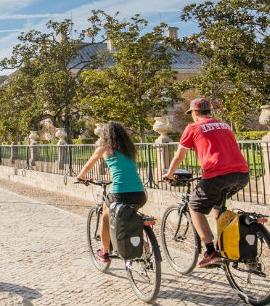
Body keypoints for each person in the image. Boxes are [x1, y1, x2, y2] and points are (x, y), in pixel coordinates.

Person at [162, 98, 250, 268]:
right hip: (241, 173)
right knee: (217, 207)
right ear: (209, 111)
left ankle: (210, 251)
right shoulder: (224, 125)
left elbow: (179, 155)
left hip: (216, 174)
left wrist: (170, 174)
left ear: (194, 113)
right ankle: (223, 244)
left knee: (194, 207)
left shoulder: (193, 127)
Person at [76, 121, 147, 266]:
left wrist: (80, 177)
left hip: (120, 192)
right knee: (130, 216)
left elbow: (89, 164)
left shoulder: (104, 148)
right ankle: (145, 245)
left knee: (105, 217)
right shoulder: (130, 149)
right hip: (139, 193)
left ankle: (105, 251)